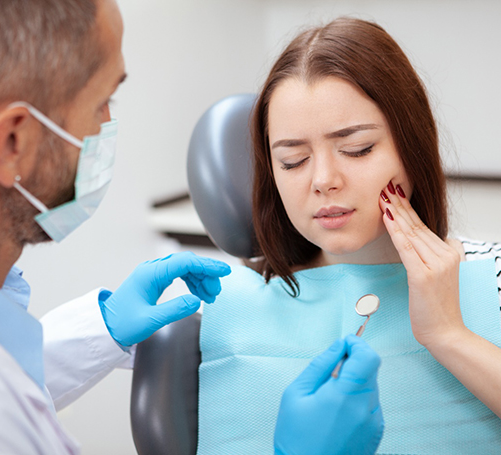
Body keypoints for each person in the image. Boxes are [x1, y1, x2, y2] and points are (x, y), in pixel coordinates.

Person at [0, 1, 382, 454]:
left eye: (359, 148)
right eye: (103, 101)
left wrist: (102, 328)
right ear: (13, 143)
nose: (324, 180)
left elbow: (6, 376)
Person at [197, 17, 501, 455]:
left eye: (357, 149)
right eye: (293, 160)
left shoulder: (490, 275)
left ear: (411, 147)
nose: (323, 179)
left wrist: (450, 335)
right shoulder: (218, 308)